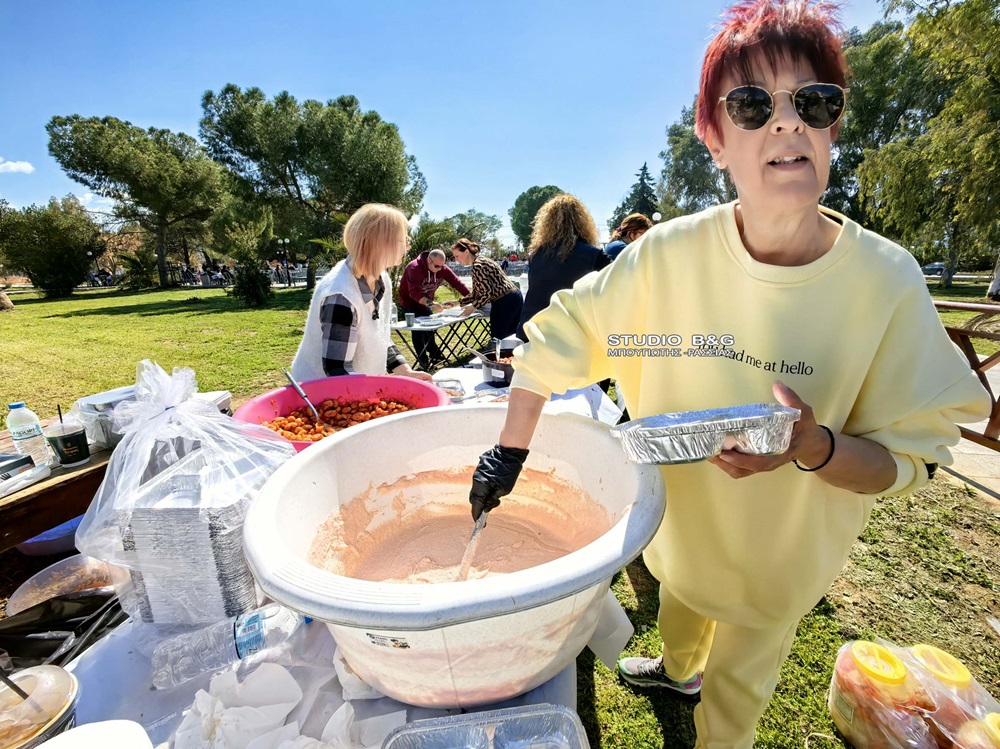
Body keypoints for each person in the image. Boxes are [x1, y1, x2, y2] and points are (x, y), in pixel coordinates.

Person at [464, 1, 991, 746]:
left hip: (778, 566)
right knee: (680, 598)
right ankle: (677, 667)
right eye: (751, 105)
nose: (787, 124)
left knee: (734, 696)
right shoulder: (665, 256)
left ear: (834, 124)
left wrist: (815, 446)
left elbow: (913, 458)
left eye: (813, 102)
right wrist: (508, 450)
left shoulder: (886, 281)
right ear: (713, 137)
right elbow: (556, 339)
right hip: (679, 531)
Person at [291, 203, 432, 383]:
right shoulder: (341, 295)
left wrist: (405, 371)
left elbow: (379, 337)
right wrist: (381, 390)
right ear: (381, 243)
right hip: (322, 394)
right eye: (404, 240)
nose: (408, 246)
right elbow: (337, 368)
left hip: (357, 387)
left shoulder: (382, 279)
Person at [516, 194, 610, 343]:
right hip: (571, 334)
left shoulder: (535, 255)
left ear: (546, 223)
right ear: (583, 222)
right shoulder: (594, 255)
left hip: (533, 329)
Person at [398, 248, 470, 369]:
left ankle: (435, 355)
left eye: (442, 266)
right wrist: (431, 304)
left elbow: (456, 282)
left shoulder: (441, 267)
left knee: (429, 330)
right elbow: (414, 293)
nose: (440, 269)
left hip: (426, 302)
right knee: (418, 331)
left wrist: (471, 297)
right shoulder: (414, 268)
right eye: (437, 266)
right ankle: (423, 361)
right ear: (429, 260)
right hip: (410, 303)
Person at [451, 238, 524, 340]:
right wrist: (458, 302)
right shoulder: (482, 260)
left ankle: (501, 355)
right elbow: (477, 292)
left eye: (457, 256)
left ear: (466, 252)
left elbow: (487, 293)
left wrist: (472, 307)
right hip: (514, 296)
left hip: (504, 301)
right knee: (513, 336)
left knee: (499, 338)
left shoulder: (477, 265)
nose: (456, 260)